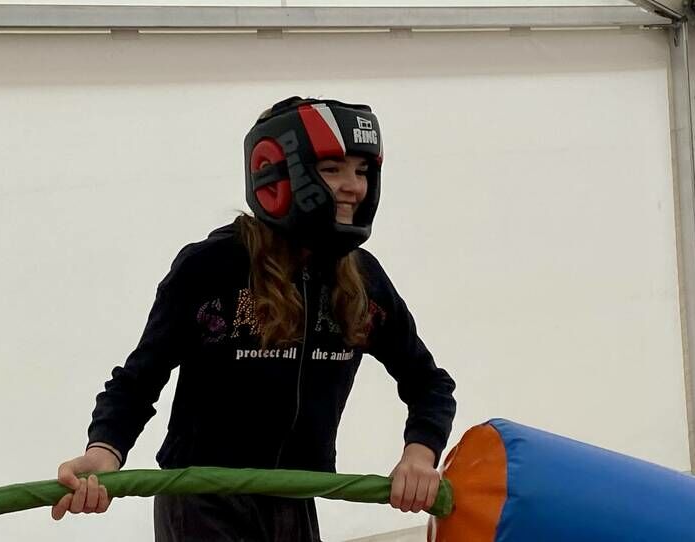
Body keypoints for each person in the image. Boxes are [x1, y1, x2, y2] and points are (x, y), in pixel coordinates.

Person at [51, 96, 456, 541]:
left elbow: (429, 383)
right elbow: (138, 380)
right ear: (275, 175)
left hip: (293, 495)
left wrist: (419, 455)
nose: (352, 187)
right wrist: (104, 452)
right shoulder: (212, 267)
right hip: (202, 496)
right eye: (332, 169)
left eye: (361, 171)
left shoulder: (363, 280)